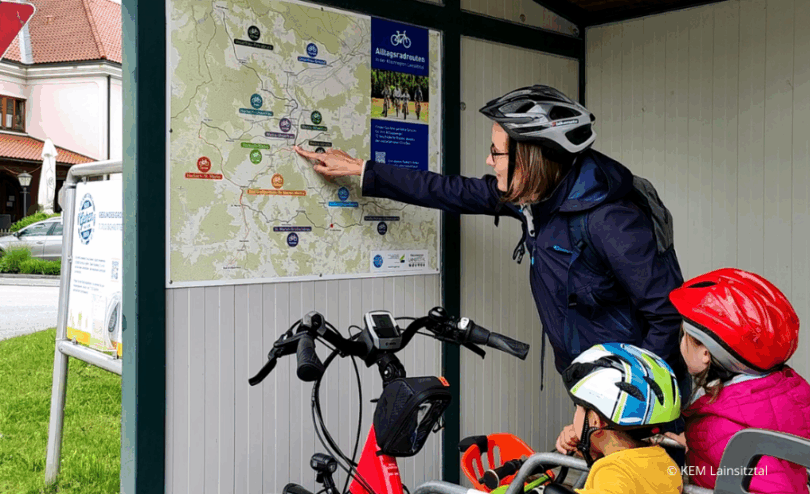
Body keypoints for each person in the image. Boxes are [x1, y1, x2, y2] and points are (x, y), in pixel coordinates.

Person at [294, 84, 687, 398]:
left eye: (496, 152)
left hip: (635, 396)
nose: (488, 161)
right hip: (592, 385)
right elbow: (448, 190)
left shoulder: (609, 219)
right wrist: (362, 170)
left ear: (530, 159)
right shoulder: (536, 198)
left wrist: (630, 398)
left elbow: (668, 316)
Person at [670, 268, 810, 493]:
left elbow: (773, 486)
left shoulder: (719, 424)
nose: (680, 343)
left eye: (684, 335)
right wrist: (693, 448)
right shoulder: (785, 391)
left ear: (706, 352)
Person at [546, 343, 683, 494]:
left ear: (595, 421)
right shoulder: (664, 463)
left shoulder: (613, 474)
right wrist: (591, 447)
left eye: (577, 406)